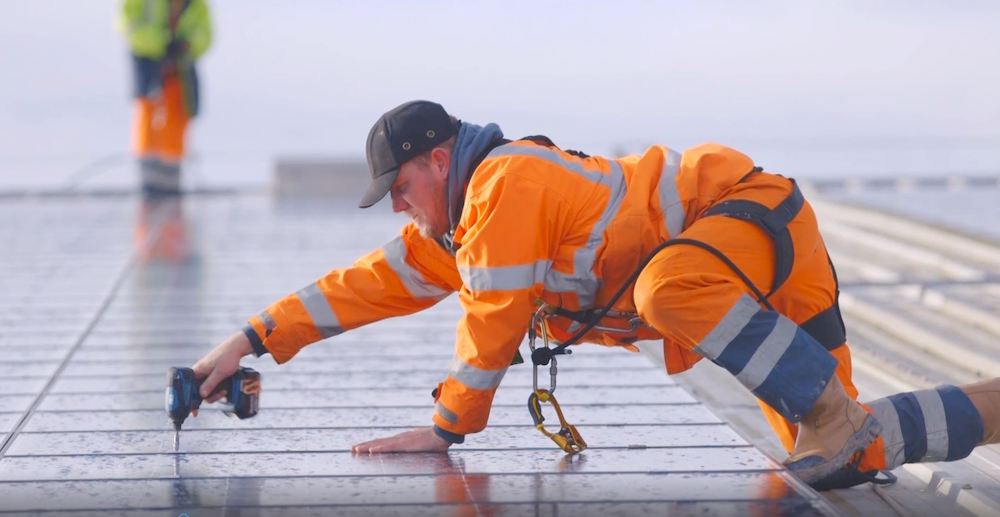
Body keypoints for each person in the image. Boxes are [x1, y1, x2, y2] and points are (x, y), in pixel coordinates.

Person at [190, 100, 999, 490]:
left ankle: (831, 409)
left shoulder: (505, 183)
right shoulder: (456, 232)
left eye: (399, 186)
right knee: (851, 451)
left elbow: (493, 319)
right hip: (753, 271)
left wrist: (446, 427)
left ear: (438, 160)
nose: (397, 204)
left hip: (748, 218)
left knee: (666, 288)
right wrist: (248, 342)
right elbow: (358, 288)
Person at [120, 0, 212, 196]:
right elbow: (129, 24)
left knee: (179, 110)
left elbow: (205, 34)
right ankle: (148, 176)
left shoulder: (196, 5)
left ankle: (171, 174)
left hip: (180, 63)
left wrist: (186, 45)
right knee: (148, 108)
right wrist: (160, 42)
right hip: (148, 59)